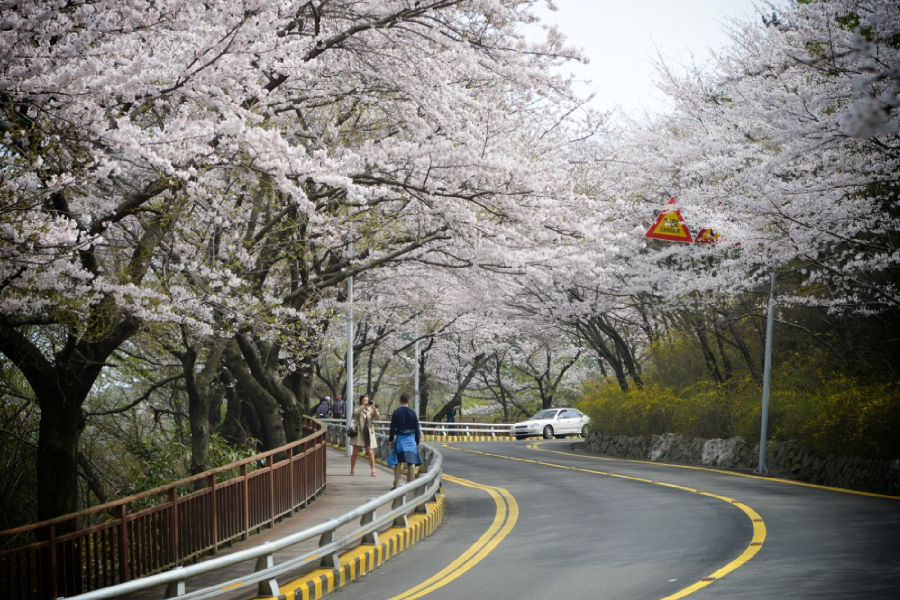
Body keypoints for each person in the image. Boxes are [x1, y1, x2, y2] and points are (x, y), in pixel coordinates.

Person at [386, 393, 422, 490]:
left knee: (398, 462)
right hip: (410, 440)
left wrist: (391, 440)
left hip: (400, 439)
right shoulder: (412, 413)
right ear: (408, 401)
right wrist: (417, 441)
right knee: (411, 462)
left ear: (400, 401)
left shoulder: (396, 412)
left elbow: (392, 428)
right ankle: (411, 485)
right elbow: (417, 429)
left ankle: (396, 484)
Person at [349, 393, 380, 476]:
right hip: (358, 433)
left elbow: (377, 416)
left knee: (370, 452)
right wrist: (363, 406)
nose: (366, 402)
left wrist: (374, 407)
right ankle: (352, 470)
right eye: (364, 400)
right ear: (361, 401)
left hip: (368, 433)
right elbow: (356, 413)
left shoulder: (370, 409)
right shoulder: (358, 407)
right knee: (355, 452)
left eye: (367, 400)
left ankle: (373, 470)